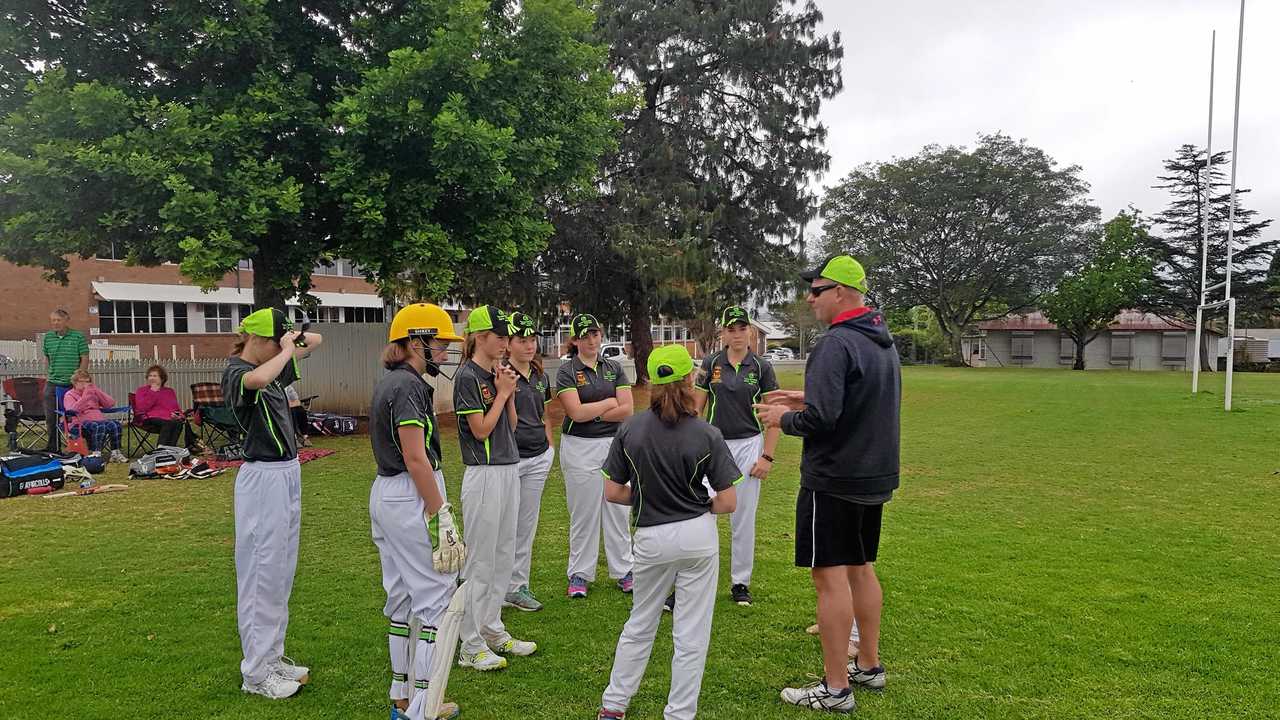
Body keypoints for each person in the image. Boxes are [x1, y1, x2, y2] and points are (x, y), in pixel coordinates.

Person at [754, 255, 899, 712]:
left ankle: (836, 688)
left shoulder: (835, 344)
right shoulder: (880, 340)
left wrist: (783, 415)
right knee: (861, 568)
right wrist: (804, 394)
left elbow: (823, 419)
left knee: (830, 578)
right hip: (873, 475)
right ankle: (869, 665)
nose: (809, 298)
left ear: (841, 292)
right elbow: (858, 398)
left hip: (834, 478)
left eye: (816, 291)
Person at [596, 345, 741, 720]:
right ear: (690, 379)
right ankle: (679, 714)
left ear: (651, 383)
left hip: (650, 537)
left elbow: (612, 492)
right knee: (690, 635)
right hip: (696, 536)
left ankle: (613, 706)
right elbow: (727, 502)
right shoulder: (707, 433)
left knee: (640, 623)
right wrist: (698, 505)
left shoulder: (630, 428)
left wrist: (649, 495)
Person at [369, 303, 466, 720]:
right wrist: (440, 513)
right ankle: (424, 706)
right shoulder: (408, 387)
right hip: (410, 493)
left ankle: (403, 697)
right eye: (439, 343)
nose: (444, 351)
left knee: (404, 596)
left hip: (388, 493)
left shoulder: (394, 380)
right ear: (414, 342)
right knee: (437, 600)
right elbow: (415, 456)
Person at [223, 308, 323, 700]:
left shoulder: (275, 358)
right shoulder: (237, 370)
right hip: (261, 476)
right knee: (261, 575)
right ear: (258, 342)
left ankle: (273, 657)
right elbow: (257, 379)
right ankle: (256, 673)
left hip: (286, 472)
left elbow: (316, 341)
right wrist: (283, 350)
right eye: (275, 341)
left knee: (280, 571)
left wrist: (290, 340)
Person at [453, 306, 536, 671]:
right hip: (484, 473)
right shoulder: (467, 377)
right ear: (479, 337)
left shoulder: (495, 374)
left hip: (507, 467)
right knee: (480, 560)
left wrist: (509, 392)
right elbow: (480, 430)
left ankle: (492, 629)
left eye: (507, 337)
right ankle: (469, 643)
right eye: (499, 336)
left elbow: (512, 425)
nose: (505, 343)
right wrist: (501, 393)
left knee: (503, 554)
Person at [690, 305, 780, 607]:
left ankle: (740, 583)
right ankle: (694, 579)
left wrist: (767, 456)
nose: (737, 334)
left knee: (743, 516)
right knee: (704, 511)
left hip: (749, 445)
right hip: (714, 445)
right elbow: (696, 409)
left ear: (750, 332)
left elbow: (773, 415)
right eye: (731, 329)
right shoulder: (711, 362)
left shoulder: (762, 367)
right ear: (723, 333)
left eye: (742, 328)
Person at [557, 313, 634, 599]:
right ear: (575, 340)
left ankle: (625, 570)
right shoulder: (567, 371)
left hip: (614, 443)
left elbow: (627, 408)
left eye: (595, 334)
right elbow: (575, 413)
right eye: (585, 335)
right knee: (584, 512)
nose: (591, 340)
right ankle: (579, 573)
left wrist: (594, 411)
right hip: (579, 446)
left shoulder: (614, 366)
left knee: (617, 509)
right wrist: (607, 403)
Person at [502, 312, 556, 612]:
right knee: (503, 525)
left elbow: (544, 414)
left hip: (538, 457)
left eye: (532, 340)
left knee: (526, 526)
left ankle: (517, 586)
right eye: (521, 341)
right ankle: (491, 585)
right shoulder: (500, 374)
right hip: (510, 460)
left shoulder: (539, 375)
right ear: (508, 344)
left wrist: (549, 446)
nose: (529, 346)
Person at [42, 309, 89, 452]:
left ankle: (77, 447)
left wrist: (80, 378)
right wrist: (49, 373)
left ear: (66, 320)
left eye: (58, 320)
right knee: (51, 417)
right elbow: (47, 358)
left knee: (74, 416)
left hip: (72, 384)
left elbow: (84, 358)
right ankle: (53, 447)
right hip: (53, 382)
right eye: (53, 320)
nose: (55, 323)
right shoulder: (48, 337)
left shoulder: (78, 337)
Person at [64, 369, 126, 462]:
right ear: (75, 382)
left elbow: (110, 403)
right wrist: (85, 397)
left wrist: (97, 391)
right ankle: (96, 454)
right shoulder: (70, 395)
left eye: (88, 381)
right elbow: (72, 410)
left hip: (98, 419)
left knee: (115, 424)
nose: (85, 384)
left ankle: (115, 453)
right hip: (79, 422)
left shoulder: (93, 393)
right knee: (98, 425)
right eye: (82, 381)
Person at [134, 365, 201, 450]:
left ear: (162, 378)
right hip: (149, 418)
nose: (151, 378)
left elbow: (176, 408)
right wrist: (153, 392)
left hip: (168, 418)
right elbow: (142, 408)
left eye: (155, 376)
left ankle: (170, 449)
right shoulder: (142, 390)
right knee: (169, 423)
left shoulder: (169, 391)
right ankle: (160, 450)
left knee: (178, 423)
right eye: (150, 376)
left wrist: (179, 415)